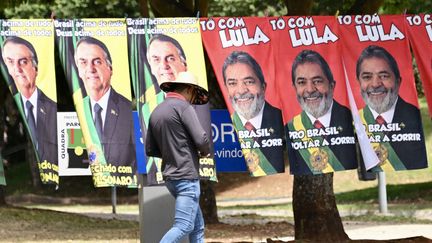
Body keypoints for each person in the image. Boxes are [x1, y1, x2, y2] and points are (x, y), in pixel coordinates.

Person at [145, 71, 211, 243]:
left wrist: (172, 152)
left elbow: (151, 149)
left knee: (197, 226)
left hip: (170, 178)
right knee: (184, 226)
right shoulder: (183, 107)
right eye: (194, 94)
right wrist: (205, 151)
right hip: (186, 177)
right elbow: (200, 139)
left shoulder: (157, 111)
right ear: (189, 89)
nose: (193, 100)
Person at [356, 45, 427, 170]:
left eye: (383, 76)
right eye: (367, 77)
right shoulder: (354, 119)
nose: (375, 84)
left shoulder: (413, 115)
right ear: (359, 82)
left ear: (398, 81)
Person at [288, 49, 357, 174]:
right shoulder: (290, 127)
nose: (310, 89)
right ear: (294, 88)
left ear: (332, 85)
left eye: (317, 81)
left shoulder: (351, 118)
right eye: (302, 82)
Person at [74, 36, 136, 173]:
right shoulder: (77, 110)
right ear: (78, 70)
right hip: (88, 188)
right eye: (83, 62)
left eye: (97, 62)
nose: (90, 69)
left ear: (110, 68)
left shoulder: (129, 111)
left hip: (124, 186)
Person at [222, 51, 285, 174]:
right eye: (232, 83)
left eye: (249, 82)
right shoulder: (224, 128)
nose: (241, 90)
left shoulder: (283, 119)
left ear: (263, 86)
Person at [1, 36, 57, 165]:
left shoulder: (50, 106)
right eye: (10, 62)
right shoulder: (9, 99)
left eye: (23, 61)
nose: (17, 69)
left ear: (35, 67)